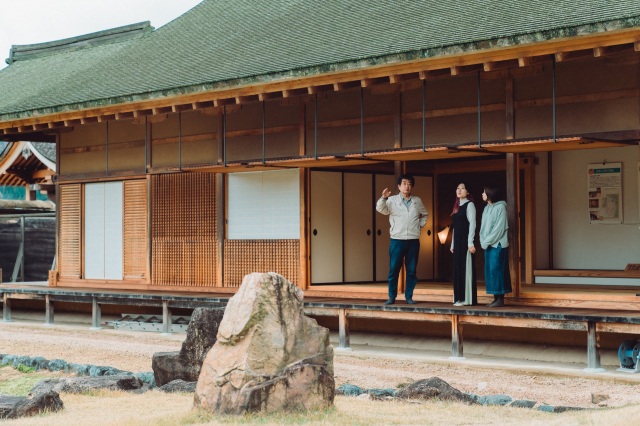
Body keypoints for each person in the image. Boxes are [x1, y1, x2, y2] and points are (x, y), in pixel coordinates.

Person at [376, 173, 428, 305]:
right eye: (404, 184)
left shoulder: (417, 201)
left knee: (411, 270)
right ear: (399, 186)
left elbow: (424, 214)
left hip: (413, 240)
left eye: (409, 184)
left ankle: (409, 297)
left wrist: (419, 225)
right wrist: (383, 198)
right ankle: (391, 296)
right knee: (394, 269)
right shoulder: (392, 200)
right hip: (397, 239)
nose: (407, 186)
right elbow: (380, 209)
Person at [479, 185, 511, 307]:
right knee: (490, 271)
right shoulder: (486, 208)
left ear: (490, 193)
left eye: (484, 192)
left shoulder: (501, 207)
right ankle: (495, 298)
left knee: (497, 270)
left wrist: (486, 241)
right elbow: (482, 227)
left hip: (498, 245)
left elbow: (499, 229)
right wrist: (482, 240)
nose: (482, 194)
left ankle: (500, 299)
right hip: (488, 245)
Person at [450, 183, 477, 306]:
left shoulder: (470, 205)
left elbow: (472, 224)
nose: (459, 190)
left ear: (468, 192)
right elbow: (455, 227)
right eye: (457, 188)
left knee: (464, 269)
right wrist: (452, 244)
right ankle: (458, 297)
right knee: (457, 269)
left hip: (465, 242)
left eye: (462, 188)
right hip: (457, 242)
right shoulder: (456, 206)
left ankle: (465, 299)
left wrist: (470, 242)